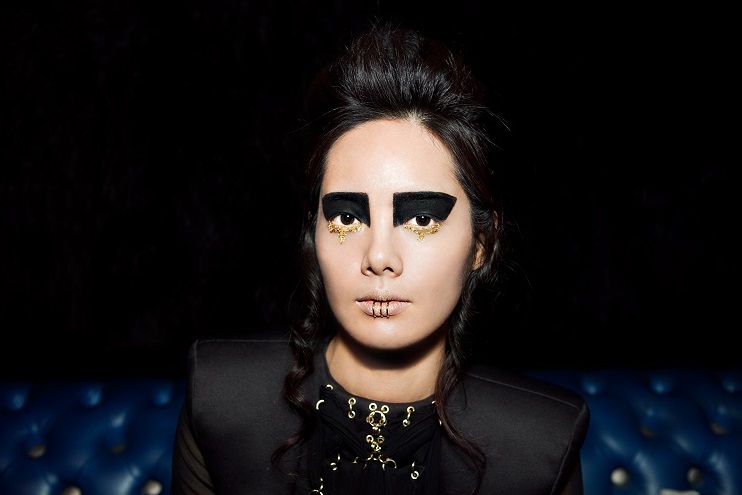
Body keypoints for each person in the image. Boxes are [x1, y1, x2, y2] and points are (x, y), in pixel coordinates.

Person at [171, 22, 589, 495]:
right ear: (313, 231)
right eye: (347, 218)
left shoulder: (540, 445)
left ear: (481, 244)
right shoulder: (222, 398)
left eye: (421, 219)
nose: (380, 257)